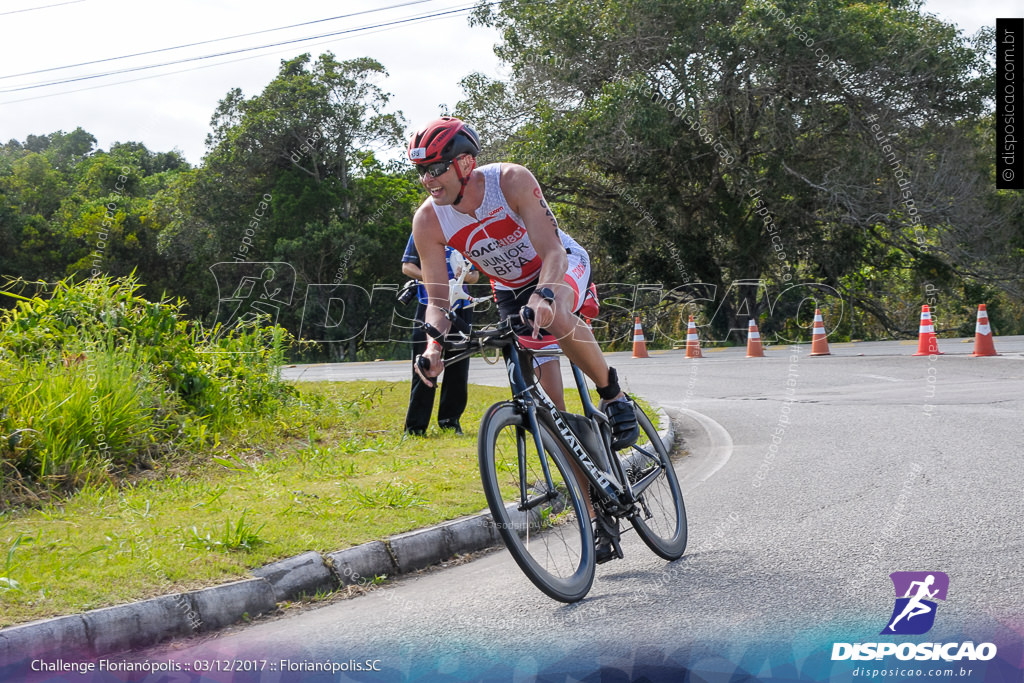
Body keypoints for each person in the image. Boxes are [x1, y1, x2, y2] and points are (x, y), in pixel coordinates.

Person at [407, 116, 639, 562]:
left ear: (465, 164)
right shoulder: (428, 220)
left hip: (558, 265)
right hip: (510, 289)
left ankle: (612, 393)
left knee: (555, 314)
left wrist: (546, 296)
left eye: (436, 168)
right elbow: (438, 301)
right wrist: (434, 348)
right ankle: (596, 518)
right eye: (422, 170)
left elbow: (552, 251)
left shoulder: (510, 181)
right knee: (553, 415)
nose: (428, 179)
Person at [401, 234, 478, 435]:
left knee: (458, 365)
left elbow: (476, 275)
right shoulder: (424, 227)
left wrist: (465, 276)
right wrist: (434, 278)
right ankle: (415, 427)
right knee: (424, 363)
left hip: (461, 306)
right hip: (430, 304)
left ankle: (450, 422)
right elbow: (407, 266)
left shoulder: (465, 231)